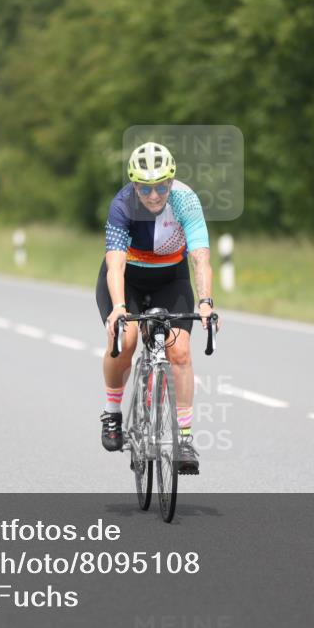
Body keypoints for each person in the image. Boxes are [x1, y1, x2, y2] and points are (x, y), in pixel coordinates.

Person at [95, 141, 218, 474]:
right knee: (128, 340)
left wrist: (205, 301)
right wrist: (119, 307)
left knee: (179, 352)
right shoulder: (122, 205)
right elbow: (116, 265)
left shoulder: (185, 201)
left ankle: (186, 438)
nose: (153, 195)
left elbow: (200, 257)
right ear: (134, 185)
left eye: (161, 186)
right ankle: (112, 412)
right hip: (128, 281)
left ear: (171, 181)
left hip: (170, 280)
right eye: (145, 188)